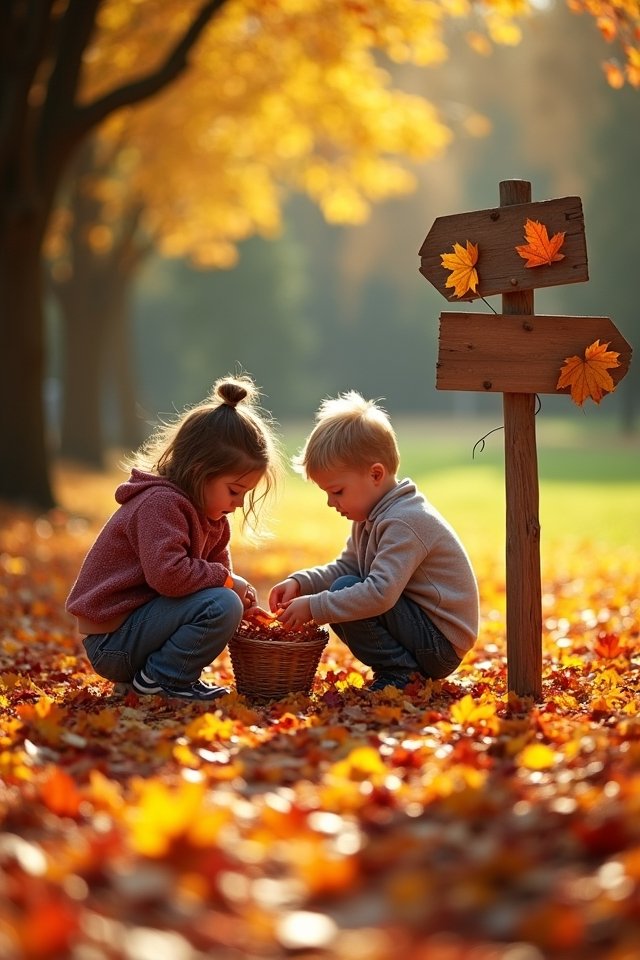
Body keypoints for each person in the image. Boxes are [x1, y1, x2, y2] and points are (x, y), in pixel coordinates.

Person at [66, 375, 282, 701]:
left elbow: (215, 580)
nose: (238, 503)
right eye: (234, 491)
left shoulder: (214, 517)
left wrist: (240, 602)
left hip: (138, 631)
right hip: (112, 641)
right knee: (223, 600)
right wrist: (228, 584)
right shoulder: (160, 504)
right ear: (198, 471)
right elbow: (169, 575)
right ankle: (161, 679)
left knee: (226, 601)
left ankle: (149, 680)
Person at [269, 391, 479, 692]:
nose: (331, 502)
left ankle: (401, 673)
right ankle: (400, 670)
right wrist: (303, 584)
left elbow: (380, 594)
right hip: (419, 629)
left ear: (376, 474)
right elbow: (347, 567)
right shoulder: (370, 517)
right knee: (339, 589)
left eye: (337, 491)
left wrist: (315, 607)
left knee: (343, 593)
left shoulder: (404, 521)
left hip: (440, 644)